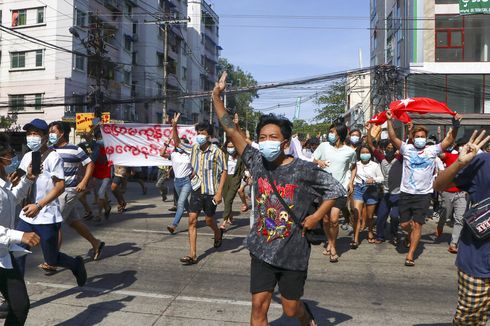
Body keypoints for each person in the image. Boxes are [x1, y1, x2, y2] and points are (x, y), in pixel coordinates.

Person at [213, 72, 344, 326]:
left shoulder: (304, 169)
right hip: (261, 249)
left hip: (293, 253)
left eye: (272, 137)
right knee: (258, 309)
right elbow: (230, 129)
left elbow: (337, 189)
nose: (266, 142)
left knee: (291, 310)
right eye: (262, 137)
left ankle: (306, 315)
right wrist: (216, 97)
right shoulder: (256, 161)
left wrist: (317, 216)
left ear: (285, 143)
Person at [15, 118, 87, 287]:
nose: (31, 137)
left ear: (45, 137)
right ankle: (14, 295)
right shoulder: (26, 156)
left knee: (52, 258)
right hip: (26, 215)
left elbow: (60, 186)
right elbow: (20, 179)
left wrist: (39, 205)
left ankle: (76, 264)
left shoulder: (53, 157)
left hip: (46, 215)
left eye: (36, 134)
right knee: (17, 252)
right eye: (29, 133)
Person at [386, 110, 461, 266]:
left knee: (418, 224)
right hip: (406, 193)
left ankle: (410, 255)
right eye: (417, 136)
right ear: (412, 138)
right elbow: (393, 138)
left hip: (423, 195)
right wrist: (389, 121)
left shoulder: (432, 150)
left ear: (426, 139)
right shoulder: (407, 149)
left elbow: (448, 141)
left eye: (423, 137)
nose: (420, 139)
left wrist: (456, 125)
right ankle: (410, 234)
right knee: (404, 224)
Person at [433, 130, 490, 326]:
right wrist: (459, 162)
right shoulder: (483, 163)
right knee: (469, 321)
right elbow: (439, 185)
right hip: (478, 261)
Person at [171, 114, 227, 265]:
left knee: (209, 220)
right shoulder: (193, 148)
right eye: (198, 133)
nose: (200, 136)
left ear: (209, 136)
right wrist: (174, 126)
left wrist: (220, 192)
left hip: (211, 192)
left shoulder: (217, 152)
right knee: (192, 220)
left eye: (203, 133)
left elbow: (224, 171)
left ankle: (217, 233)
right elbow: (177, 143)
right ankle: (193, 254)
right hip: (196, 189)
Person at [47, 121, 105, 264]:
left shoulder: (75, 149)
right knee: (73, 222)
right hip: (53, 192)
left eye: (53, 132)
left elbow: (90, 164)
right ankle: (96, 243)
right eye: (49, 132)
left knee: (55, 223)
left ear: (62, 133)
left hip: (68, 191)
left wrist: (84, 182)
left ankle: (52, 260)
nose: (50, 135)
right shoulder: (49, 149)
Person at [0, 134, 41, 325]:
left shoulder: (4, 184)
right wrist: (20, 235)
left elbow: (11, 200)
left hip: (3, 256)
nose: (13, 158)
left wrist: (29, 180)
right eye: (9, 154)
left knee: (20, 305)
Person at [313, 121, 356, 263]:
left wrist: (350, 182)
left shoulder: (350, 151)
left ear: (340, 134)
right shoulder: (323, 146)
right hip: (323, 189)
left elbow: (354, 166)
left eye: (333, 132)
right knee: (325, 219)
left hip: (340, 189)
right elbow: (313, 159)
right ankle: (330, 241)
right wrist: (318, 162)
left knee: (334, 219)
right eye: (330, 132)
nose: (330, 134)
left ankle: (333, 247)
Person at [366, 123, 402, 245]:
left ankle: (394, 233)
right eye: (388, 148)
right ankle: (380, 236)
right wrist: (369, 130)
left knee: (395, 217)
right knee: (381, 216)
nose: (390, 150)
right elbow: (370, 145)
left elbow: (404, 146)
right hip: (385, 194)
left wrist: (409, 130)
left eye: (392, 148)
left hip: (398, 194)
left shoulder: (400, 159)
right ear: (385, 149)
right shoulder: (382, 159)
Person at [435, 141, 467, 254]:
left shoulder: (472, 161)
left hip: (462, 193)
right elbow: (439, 154)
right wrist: (444, 146)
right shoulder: (451, 156)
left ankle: (453, 243)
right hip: (447, 192)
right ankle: (440, 225)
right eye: (463, 146)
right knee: (446, 213)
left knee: (460, 218)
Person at [351, 145, 383, 248]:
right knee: (356, 214)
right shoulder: (355, 164)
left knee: (370, 216)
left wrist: (374, 180)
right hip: (358, 189)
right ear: (359, 154)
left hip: (372, 190)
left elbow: (381, 177)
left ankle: (370, 230)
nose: (365, 154)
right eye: (363, 152)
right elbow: (350, 174)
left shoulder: (375, 165)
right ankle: (355, 238)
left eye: (367, 152)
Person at [161, 138, 192, 234]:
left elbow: (196, 167)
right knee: (185, 203)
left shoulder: (190, 155)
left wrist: (192, 176)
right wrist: (166, 145)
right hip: (177, 182)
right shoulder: (174, 155)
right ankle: (192, 215)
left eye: (182, 144)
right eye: (178, 144)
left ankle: (174, 225)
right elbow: (162, 154)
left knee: (180, 203)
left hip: (187, 181)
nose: (179, 146)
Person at [220, 139, 246, 230]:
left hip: (235, 179)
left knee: (228, 200)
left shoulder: (240, 157)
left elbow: (243, 170)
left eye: (232, 146)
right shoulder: (224, 155)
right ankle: (230, 216)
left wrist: (244, 180)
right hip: (225, 179)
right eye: (229, 147)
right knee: (225, 199)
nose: (230, 148)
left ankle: (224, 221)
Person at [91, 127, 112, 222]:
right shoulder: (94, 148)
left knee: (100, 194)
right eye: (99, 137)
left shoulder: (108, 148)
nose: (100, 139)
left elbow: (103, 160)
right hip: (96, 175)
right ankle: (107, 208)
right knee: (101, 195)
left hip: (106, 175)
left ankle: (98, 214)